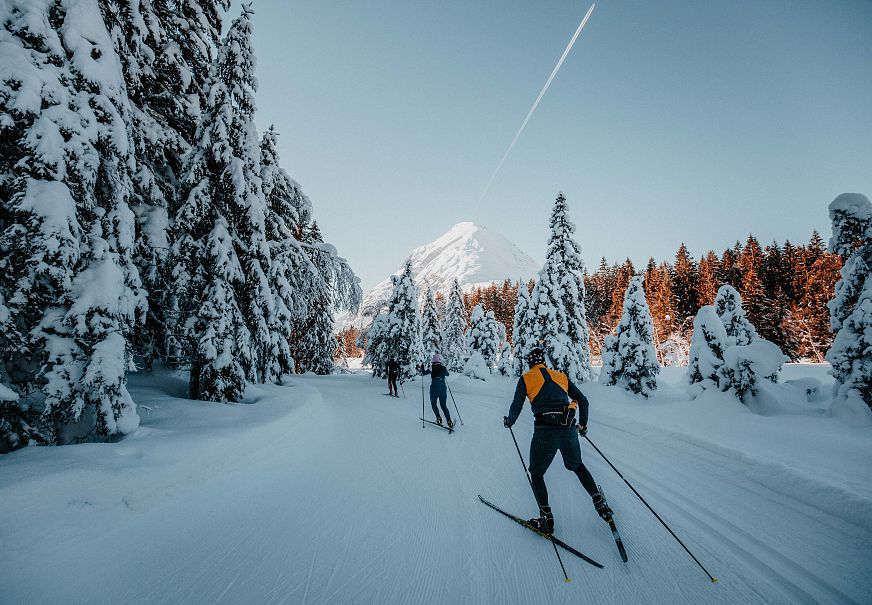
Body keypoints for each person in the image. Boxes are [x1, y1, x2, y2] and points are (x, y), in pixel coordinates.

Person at [503, 347, 612, 534]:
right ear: (544, 362)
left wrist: (510, 421)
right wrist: (583, 426)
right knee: (577, 466)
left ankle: (547, 520)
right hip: (567, 428)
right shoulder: (560, 376)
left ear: (530, 362)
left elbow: (517, 404)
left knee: (537, 474)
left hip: (545, 431)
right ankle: (600, 504)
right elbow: (583, 400)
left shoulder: (526, 378)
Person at [419, 353, 453, 428]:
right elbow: (447, 374)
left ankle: (438, 418)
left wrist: (422, 368)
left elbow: (423, 373)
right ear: (439, 361)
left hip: (434, 388)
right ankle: (449, 420)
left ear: (433, 362)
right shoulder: (443, 367)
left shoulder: (432, 367)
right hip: (443, 388)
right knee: (443, 406)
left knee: (434, 403)